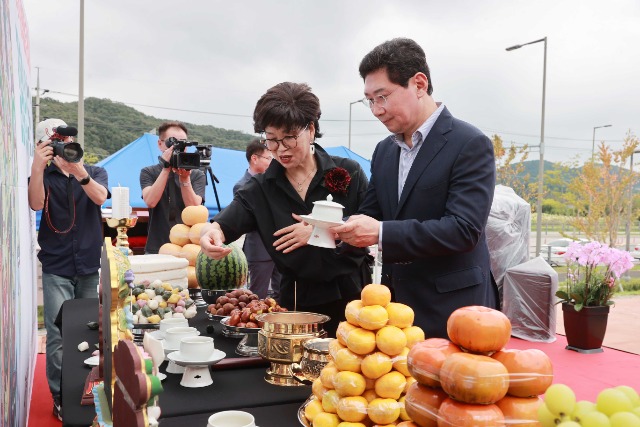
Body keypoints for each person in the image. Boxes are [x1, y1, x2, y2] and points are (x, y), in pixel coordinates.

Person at [332, 38, 499, 339]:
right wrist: (329, 230)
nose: (376, 110)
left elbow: (463, 229)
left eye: (382, 97)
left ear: (419, 84)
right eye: (369, 100)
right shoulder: (384, 151)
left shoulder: (469, 144)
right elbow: (371, 213)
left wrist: (381, 232)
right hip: (396, 311)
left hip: (455, 310)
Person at [200, 82, 371, 336]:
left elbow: (371, 221)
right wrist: (211, 233)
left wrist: (318, 231)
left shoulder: (348, 171)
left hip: (353, 295)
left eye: (289, 137)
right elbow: (226, 221)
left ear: (311, 129)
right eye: (271, 140)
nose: (281, 149)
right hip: (296, 301)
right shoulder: (261, 187)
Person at [28, 118, 110, 420]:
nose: (64, 147)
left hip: (89, 264)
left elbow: (100, 197)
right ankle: (61, 396)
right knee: (59, 334)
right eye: (57, 142)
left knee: (91, 331)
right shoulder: (44, 175)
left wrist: (80, 173)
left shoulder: (94, 171)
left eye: (67, 141)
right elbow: (35, 204)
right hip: (57, 265)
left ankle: (88, 390)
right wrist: (38, 168)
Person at [140, 121, 206, 254]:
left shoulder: (196, 174)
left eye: (183, 143)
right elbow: (150, 201)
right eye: (172, 142)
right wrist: (165, 169)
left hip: (187, 249)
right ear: (160, 144)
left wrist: (185, 178)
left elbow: (194, 207)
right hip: (157, 247)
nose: (178, 148)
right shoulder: (149, 172)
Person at [233, 139, 282, 300]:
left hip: (280, 247)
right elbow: (252, 218)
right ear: (255, 158)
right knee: (257, 296)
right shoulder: (242, 185)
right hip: (260, 250)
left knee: (282, 294)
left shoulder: (275, 181)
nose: (272, 162)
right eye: (269, 158)